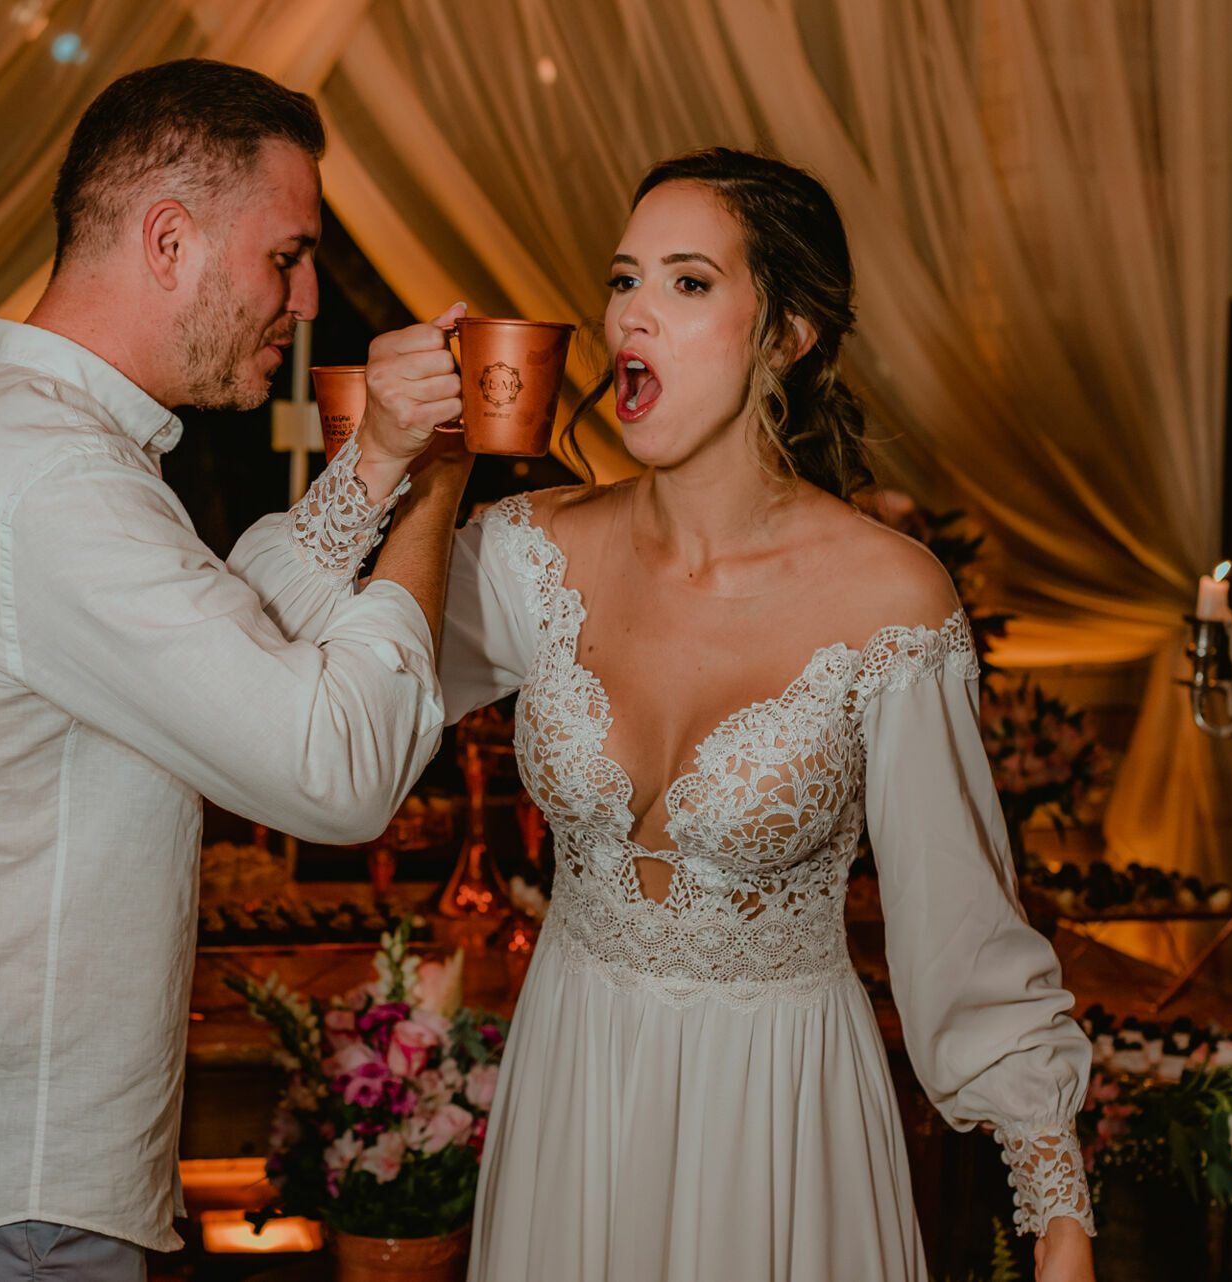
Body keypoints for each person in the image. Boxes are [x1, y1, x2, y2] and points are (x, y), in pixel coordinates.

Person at [262, 148, 1098, 1280]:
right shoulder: (530, 554)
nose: (633, 316)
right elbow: (286, 656)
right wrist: (409, 460)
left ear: (786, 335)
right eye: (623, 280)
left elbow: (959, 926)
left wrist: (1058, 1216)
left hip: (778, 1116)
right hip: (576, 1088)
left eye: (688, 282)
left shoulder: (892, 600)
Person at [0, 60, 470, 1281]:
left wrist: (376, 460)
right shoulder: (49, 478)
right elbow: (335, 769)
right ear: (169, 238)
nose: (304, 304)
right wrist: (436, 493)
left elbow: (215, 632)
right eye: (285, 258)